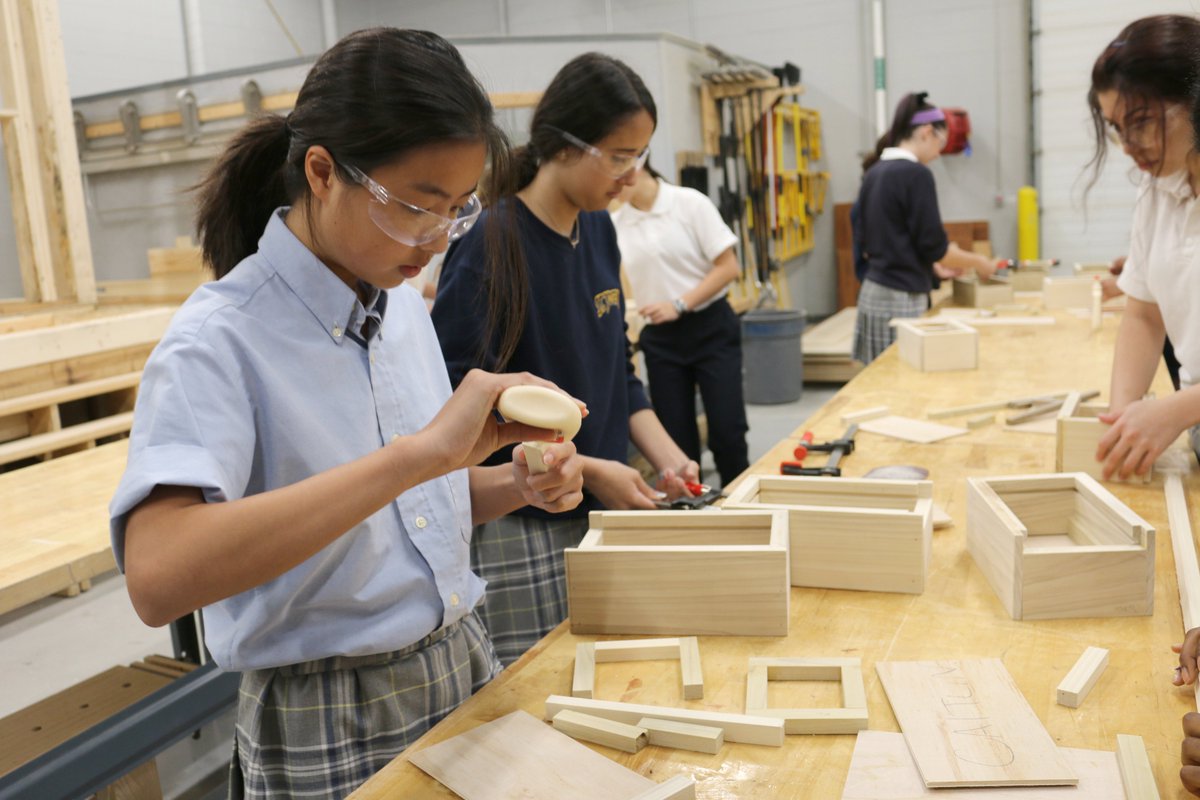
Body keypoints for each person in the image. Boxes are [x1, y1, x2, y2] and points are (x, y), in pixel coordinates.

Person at [108, 28, 585, 798]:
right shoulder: (220, 341)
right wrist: (423, 454)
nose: (433, 241)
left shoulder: (396, 305)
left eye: (457, 212)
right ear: (323, 172)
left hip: (461, 663)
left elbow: (402, 517)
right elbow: (158, 578)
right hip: (330, 709)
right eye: (416, 208)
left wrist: (514, 487)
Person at [432, 53, 700, 666]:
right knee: (542, 691)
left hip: (601, 507)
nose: (632, 176)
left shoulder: (598, 230)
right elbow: (458, 412)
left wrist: (668, 457)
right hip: (528, 520)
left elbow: (618, 374)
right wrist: (593, 466)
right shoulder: (492, 244)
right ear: (562, 143)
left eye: (640, 157)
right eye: (619, 156)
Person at [1085, 14, 1200, 480]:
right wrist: (1122, 418)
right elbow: (1143, 314)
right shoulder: (1158, 191)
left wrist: (1174, 410)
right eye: (1116, 127)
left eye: (1142, 121)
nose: (1127, 145)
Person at [610, 160, 749, 487]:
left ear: (636, 168)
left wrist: (680, 304)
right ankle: (690, 514)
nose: (611, 190)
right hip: (661, 339)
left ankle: (742, 509)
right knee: (676, 441)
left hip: (711, 327)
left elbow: (729, 267)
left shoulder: (689, 204)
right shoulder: (615, 223)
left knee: (727, 432)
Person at [851, 92, 998, 364]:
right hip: (899, 298)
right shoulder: (915, 174)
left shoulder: (875, 173)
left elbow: (887, 240)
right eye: (940, 143)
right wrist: (979, 261)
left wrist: (929, 267)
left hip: (874, 293)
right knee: (902, 381)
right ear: (927, 132)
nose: (938, 153)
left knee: (879, 383)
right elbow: (935, 247)